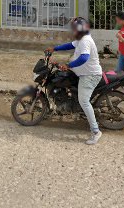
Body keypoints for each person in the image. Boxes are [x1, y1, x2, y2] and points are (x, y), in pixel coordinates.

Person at [45, 17, 104, 145]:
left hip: (89, 75)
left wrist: (69, 65)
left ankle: (95, 131)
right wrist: (55, 49)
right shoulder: (81, 38)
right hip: (83, 73)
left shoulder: (85, 41)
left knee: (84, 101)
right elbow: (70, 45)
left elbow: (84, 58)